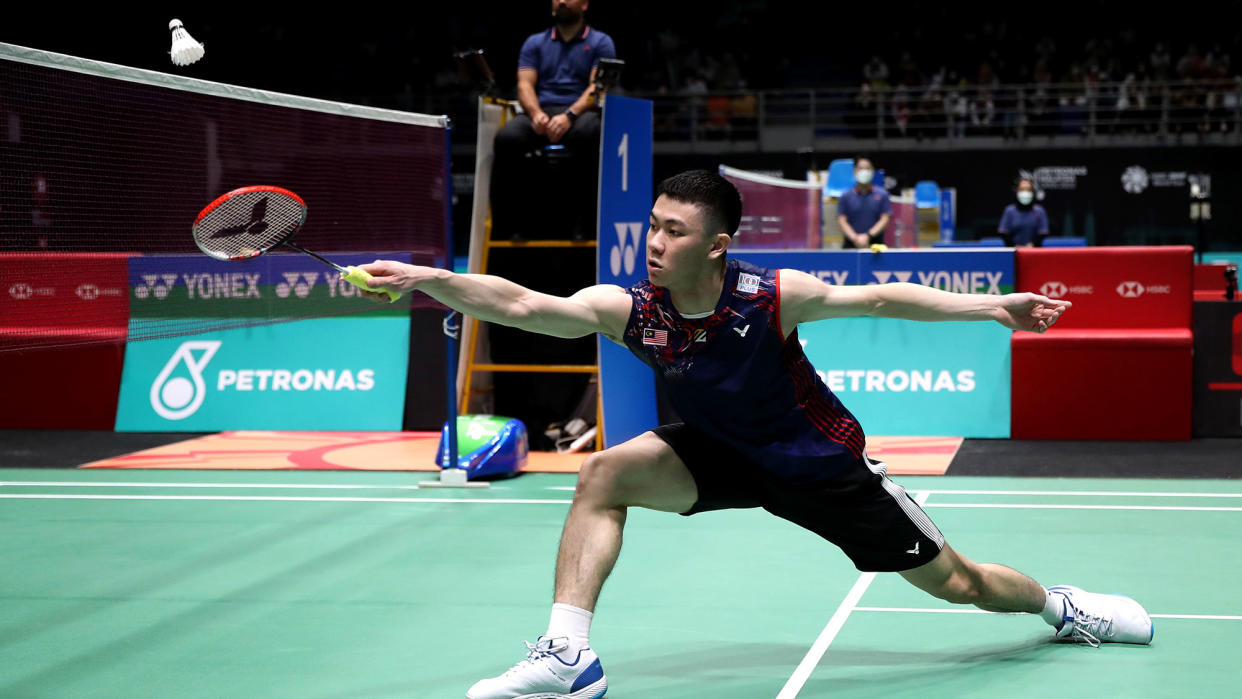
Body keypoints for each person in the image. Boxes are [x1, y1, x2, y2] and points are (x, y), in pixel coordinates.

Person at [358, 171, 1153, 699]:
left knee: (963, 585)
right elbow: (527, 305)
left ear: (717, 243)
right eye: (653, 227)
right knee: (603, 474)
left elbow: (880, 298)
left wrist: (994, 307)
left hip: (818, 465)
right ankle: (570, 654)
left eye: (673, 231)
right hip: (719, 456)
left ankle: (1061, 605)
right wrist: (431, 280)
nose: (655, 242)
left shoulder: (771, 297)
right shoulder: (635, 309)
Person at [491, 0, 617, 240]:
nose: (561, 1)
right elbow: (524, 84)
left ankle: (585, 224)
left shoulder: (601, 42)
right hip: (541, 110)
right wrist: (536, 113)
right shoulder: (535, 42)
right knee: (507, 138)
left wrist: (569, 115)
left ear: (585, 5)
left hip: (581, 111)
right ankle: (511, 226)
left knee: (589, 132)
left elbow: (597, 88)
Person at [836, 157, 892, 249]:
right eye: (861, 168)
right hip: (851, 245)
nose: (864, 171)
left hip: (875, 246)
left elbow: (885, 219)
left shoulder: (882, 195)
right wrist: (855, 238)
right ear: (854, 171)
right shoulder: (845, 196)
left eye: (867, 168)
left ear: (873, 171)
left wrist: (868, 236)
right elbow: (842, 220)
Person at [998, 177, 1050, 247]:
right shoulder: (1009, 211)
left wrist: (1032, 245)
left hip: (1035, 252)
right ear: (1017, 191)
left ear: (1033, 192)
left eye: (1028, 190)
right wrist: (1015, 247)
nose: (1025, 192)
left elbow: (1042, 234)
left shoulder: (1040, 211)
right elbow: (1004, 233)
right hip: (1013, 253)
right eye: (1022, 189)